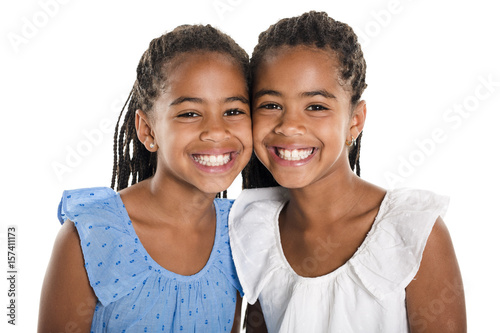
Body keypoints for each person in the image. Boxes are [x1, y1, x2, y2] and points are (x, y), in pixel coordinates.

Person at [229, 11, 466, 333]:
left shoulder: (412, 232)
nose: (289, 126)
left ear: (354, 121)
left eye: (316, 106)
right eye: (271, 105)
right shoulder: (253, 230)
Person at [38, 24, 253, 332]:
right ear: (147, 131)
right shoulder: (89, 236)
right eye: (189, 113)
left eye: (233, 111)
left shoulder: (240, 234)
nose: (216, 131)